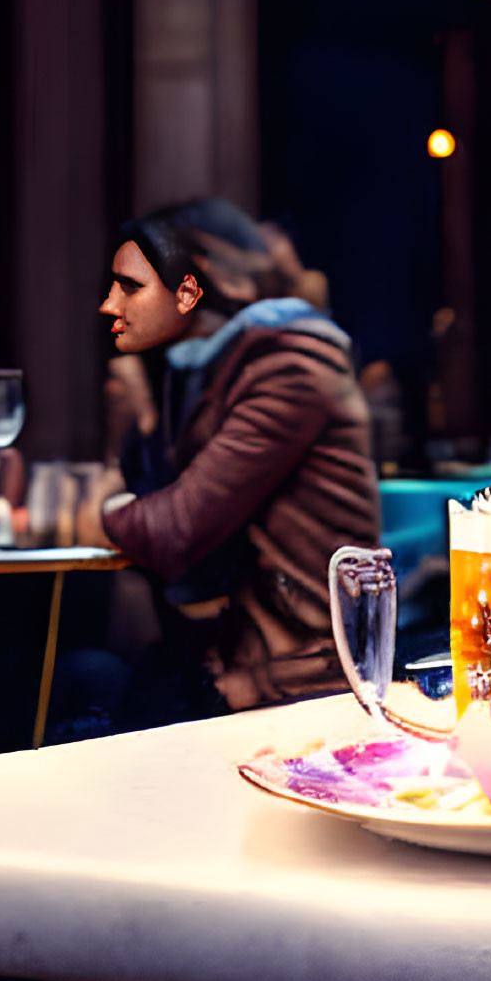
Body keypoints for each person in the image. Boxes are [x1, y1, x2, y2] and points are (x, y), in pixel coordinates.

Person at [95, 214, 380, 718]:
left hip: (292, 676)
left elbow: (174, 528)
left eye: (132, 286)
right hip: (232, 655)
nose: (111, 305)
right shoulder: (210, 366)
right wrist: (139, 421)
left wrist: (94, 511)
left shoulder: (288, 362)